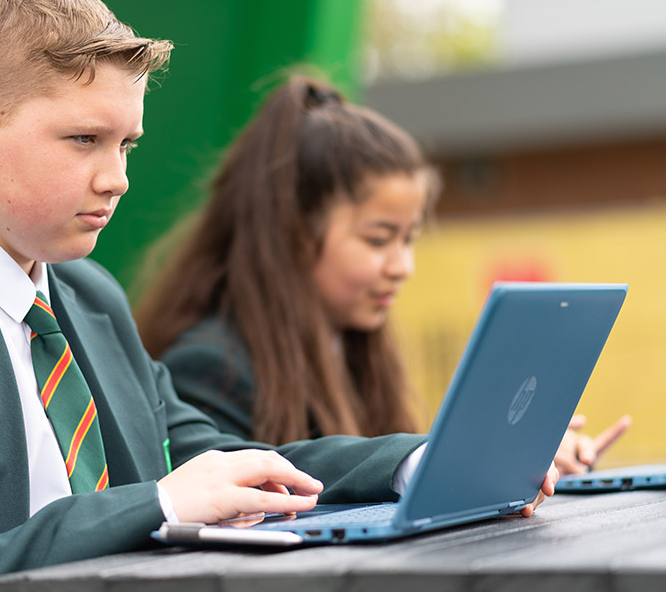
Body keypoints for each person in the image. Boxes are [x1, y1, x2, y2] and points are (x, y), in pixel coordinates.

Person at [0, 0, 555, 592]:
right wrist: (156, 505)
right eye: (84, 141)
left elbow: (226, 462)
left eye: (126, 145)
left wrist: (421, 463)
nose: (118, 178)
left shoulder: (88, 299)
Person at [134, 74, 630, 472]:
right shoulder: (209, 367)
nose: (403, 267)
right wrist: (450, 460)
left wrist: (504, 465)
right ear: (294, 235)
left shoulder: (352, 343)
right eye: (378, 239)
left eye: (409, 239)